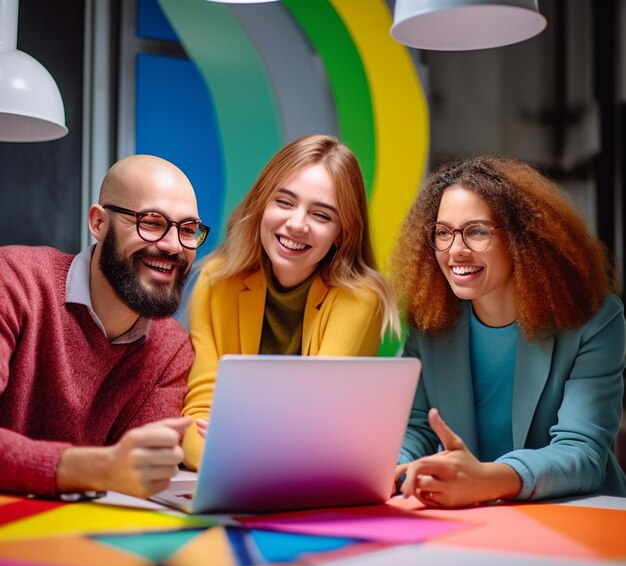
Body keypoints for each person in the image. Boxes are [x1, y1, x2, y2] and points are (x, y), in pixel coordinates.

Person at [392, 155, 626, 507]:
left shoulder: (594, 320)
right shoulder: (430, 322)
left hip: (578, 520)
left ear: (524, 237)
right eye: (443, 233)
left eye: (476, 231)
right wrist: (394, 469)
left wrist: (488, 480)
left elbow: (582, 453)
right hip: (474, 521)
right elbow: (416, 430)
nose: (455, 251)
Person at [182, 134, 399, 469]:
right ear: (261, 205)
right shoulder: (215, 281)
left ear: (343, 233)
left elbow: (313, 422)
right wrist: (221, 455)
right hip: (226, 473)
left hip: (316, 480)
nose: (297, 224)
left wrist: (236, 436)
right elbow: (199, 413)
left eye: (322, 216)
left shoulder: (360, 298)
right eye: (284, 202)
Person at [0, 155, 210, 499]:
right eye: (152, 222)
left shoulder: (172, 351)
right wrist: (96, 469)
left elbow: (134, 480)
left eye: (187, 230)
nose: (173, 246)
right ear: (99, 223)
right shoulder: (13, 281)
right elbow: (112, 472)